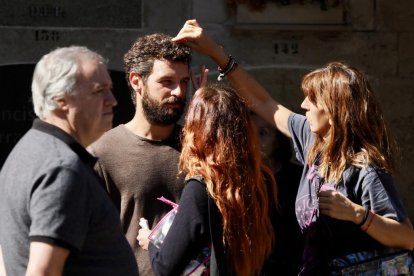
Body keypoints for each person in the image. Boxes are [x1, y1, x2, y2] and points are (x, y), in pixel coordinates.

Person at [173, 19, 414, 275]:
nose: (303, 105)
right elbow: (264, 103)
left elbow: (406, 236)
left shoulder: (365, 168)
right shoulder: (313, 142)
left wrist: (357, 214)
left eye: (312, 99)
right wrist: (216, 52)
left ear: (334, 110)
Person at [0, 46, 138, 275]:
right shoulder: (61, 169)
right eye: (99, 91)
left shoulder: (27, 151)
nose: (112, 100)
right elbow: (43, 272)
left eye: (111, 89)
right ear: (61, 99)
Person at [88, 33, 207, 275]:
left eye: (184, 82)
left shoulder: (200, 147)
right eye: (167, 82)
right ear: (136, 81)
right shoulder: (103, 153)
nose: (178, 92)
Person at [137, 83, 278, 276]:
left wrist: (150, 242)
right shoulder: (257, 182)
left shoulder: (200, 188)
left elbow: (165, 267)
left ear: (196, 130)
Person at [252, 113, 304, 275]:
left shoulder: (299, 178)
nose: (254, 139)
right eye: (249, 132)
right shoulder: (242, 181)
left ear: (278, 141)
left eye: (263, 133)